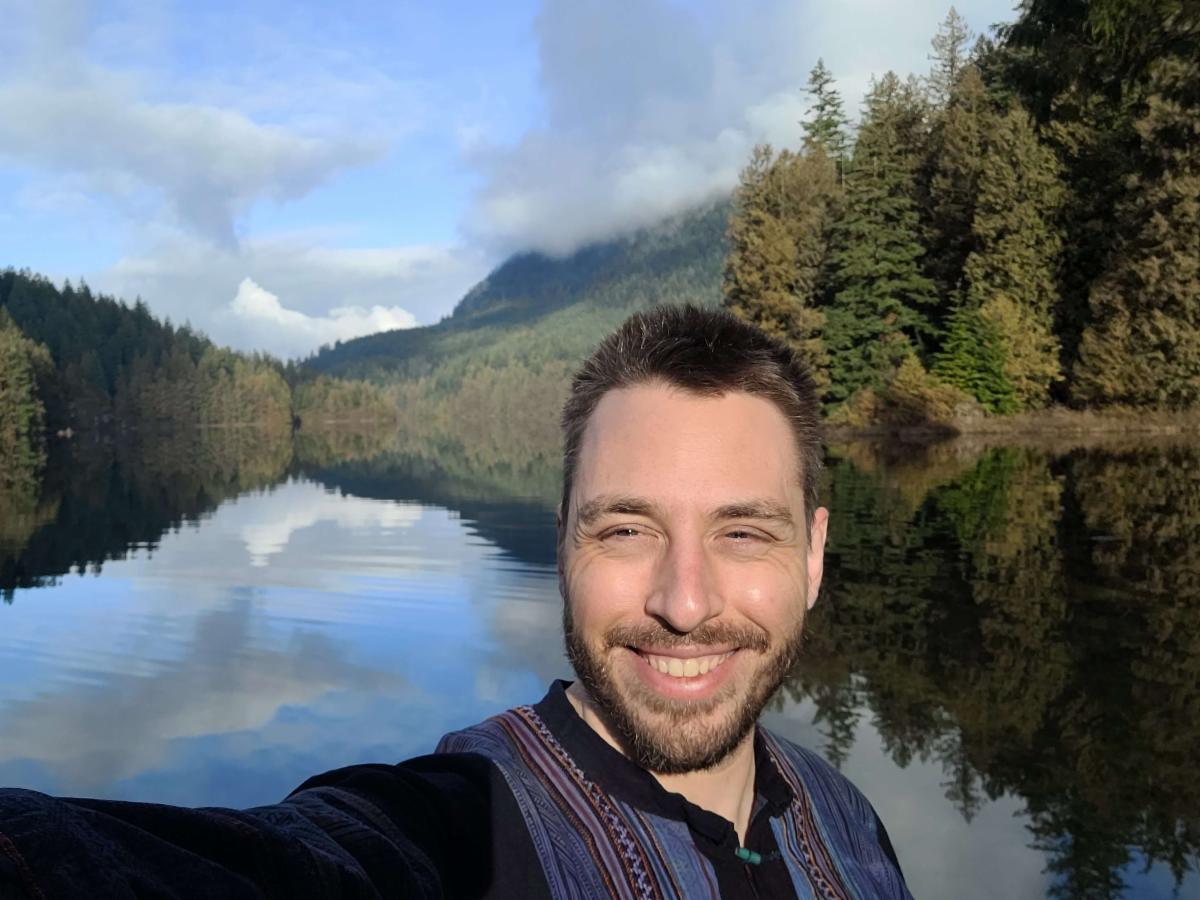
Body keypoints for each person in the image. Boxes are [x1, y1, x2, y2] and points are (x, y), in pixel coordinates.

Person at [0, 306, 911, 899]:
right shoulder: (470, 827)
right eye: (626, 529)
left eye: (742, 532)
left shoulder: (848, 822)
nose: (683, 602)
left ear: (813, 554)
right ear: (563, 545)